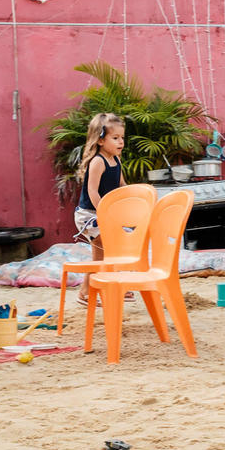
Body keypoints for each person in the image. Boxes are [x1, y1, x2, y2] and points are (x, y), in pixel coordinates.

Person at [74, 112, 126, 305]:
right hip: (89, 215)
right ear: (101, 140)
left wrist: (134, 199)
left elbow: (122, 185)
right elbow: (93, 191)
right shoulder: (98, 161)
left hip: (105, 213)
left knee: (105, 253)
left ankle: (96, 289)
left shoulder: (116, 160)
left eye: (122, 137)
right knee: (104, 250)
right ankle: (89, 292)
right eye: (115, 138)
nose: (121, 142)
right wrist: (104, 214)